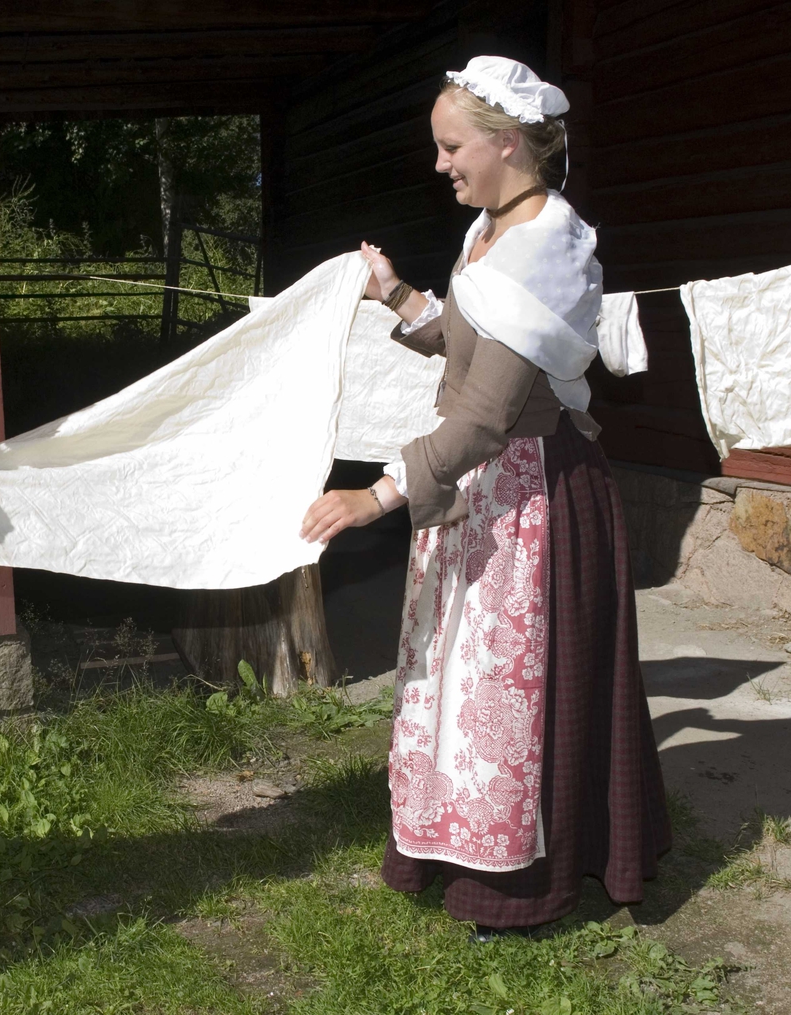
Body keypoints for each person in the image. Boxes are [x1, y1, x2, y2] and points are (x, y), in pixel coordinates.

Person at [301, 56, 670, 938]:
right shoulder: (493, 230)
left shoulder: (546, 250)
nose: (442, 165)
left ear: (507, 143)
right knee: (459, 682)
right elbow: (466, 341)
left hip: (534, 496)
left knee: (510, 689)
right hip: (486, 491)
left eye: (452, 146)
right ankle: (452, 835)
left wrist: (376, 496)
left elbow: (482, 415)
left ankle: (518, 883)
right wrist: (396, 294)